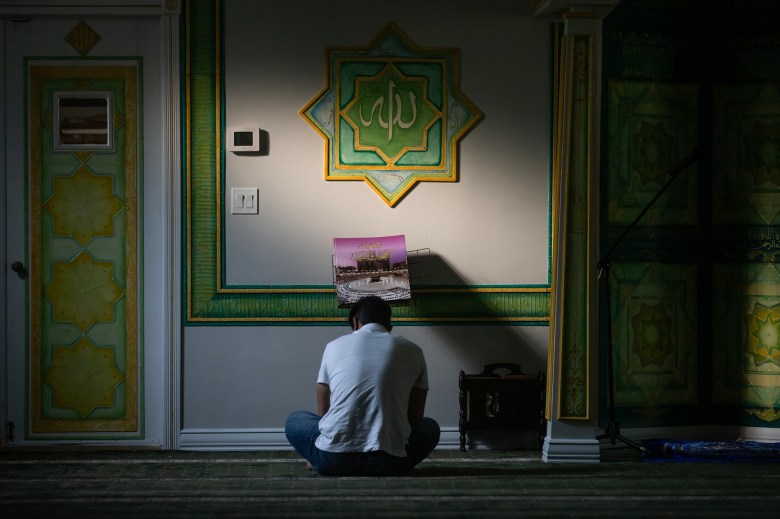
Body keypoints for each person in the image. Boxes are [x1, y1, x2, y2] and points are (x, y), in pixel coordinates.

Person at [285, 295, 440, 476]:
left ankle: (316, 458)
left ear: (355, 322)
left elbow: (323, 415)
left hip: (332, 460)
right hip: (391, 463)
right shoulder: (414, 350)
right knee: (430, 428)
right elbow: (415, 419)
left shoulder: (333, 346)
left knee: (295, 420)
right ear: (389, 326)